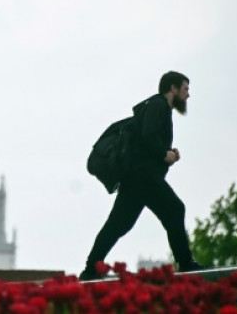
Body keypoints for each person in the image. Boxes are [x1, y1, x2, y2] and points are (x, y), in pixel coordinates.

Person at [79, 71, 205, 280]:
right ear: (173, 88)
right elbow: (148, 136)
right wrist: (164, 154)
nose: (188, 95)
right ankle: (185, 263)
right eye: (185, 89)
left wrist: (168, 154)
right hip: (144, 177)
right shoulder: (158, 105)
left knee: (118, 224)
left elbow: (146, 141)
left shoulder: (156, 107)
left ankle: (90, 269)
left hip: (136, 178)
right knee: (175, 210)